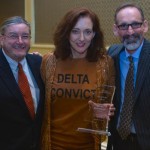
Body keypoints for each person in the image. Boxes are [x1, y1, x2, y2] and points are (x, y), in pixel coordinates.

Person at [40, 7, 115, 150]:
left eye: (87, 32)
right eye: (75, 31)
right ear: (66, 33)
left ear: (94, 34)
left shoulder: (105, 64)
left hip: (89, 145)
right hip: (53, 144)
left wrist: (106, 111)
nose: (81, 38)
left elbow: (107, 105)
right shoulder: (48, 62)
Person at [107, 3, 150, 150]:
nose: (130, 31)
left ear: (145, 26)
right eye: (124, 26)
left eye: (135, 25)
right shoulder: (112, 54)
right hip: (118, 140)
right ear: (115, 30)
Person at [0, 16, 45, 150]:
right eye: (13, 36)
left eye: (25, 36)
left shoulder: (39, 64)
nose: (20, 41)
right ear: (2, 39)